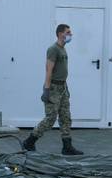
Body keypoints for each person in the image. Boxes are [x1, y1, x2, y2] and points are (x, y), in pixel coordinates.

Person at [21, 24, 83, 156]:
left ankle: (67, 147)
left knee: (66, 117)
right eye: (68, 32)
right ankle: (29, 141)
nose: (70, 35)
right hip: (53, 88)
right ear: (60, 34)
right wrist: (46, 90)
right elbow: (48, 70)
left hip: (63, 88)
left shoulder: (63, 49)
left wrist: (66, 89)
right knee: (50, 118)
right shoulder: (53, 49)